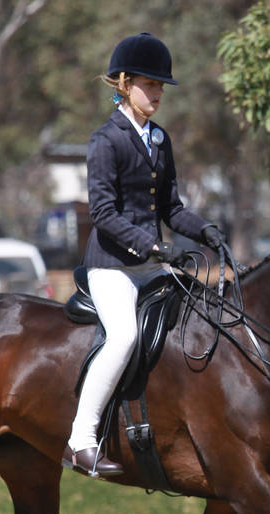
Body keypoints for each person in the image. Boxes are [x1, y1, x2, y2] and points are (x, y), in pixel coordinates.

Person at [63, 31, 226, 477]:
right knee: (124, 337)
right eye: (149, 84)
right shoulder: (105, 140)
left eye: (160, 86)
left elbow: (172, 207)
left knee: (201, 317)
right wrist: (152, 246)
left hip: (151, 267)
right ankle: (81, 439)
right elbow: (102, 213)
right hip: (112, 266)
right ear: (123, 83)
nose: (157, 93)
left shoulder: (159, 139)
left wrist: (207, 231)